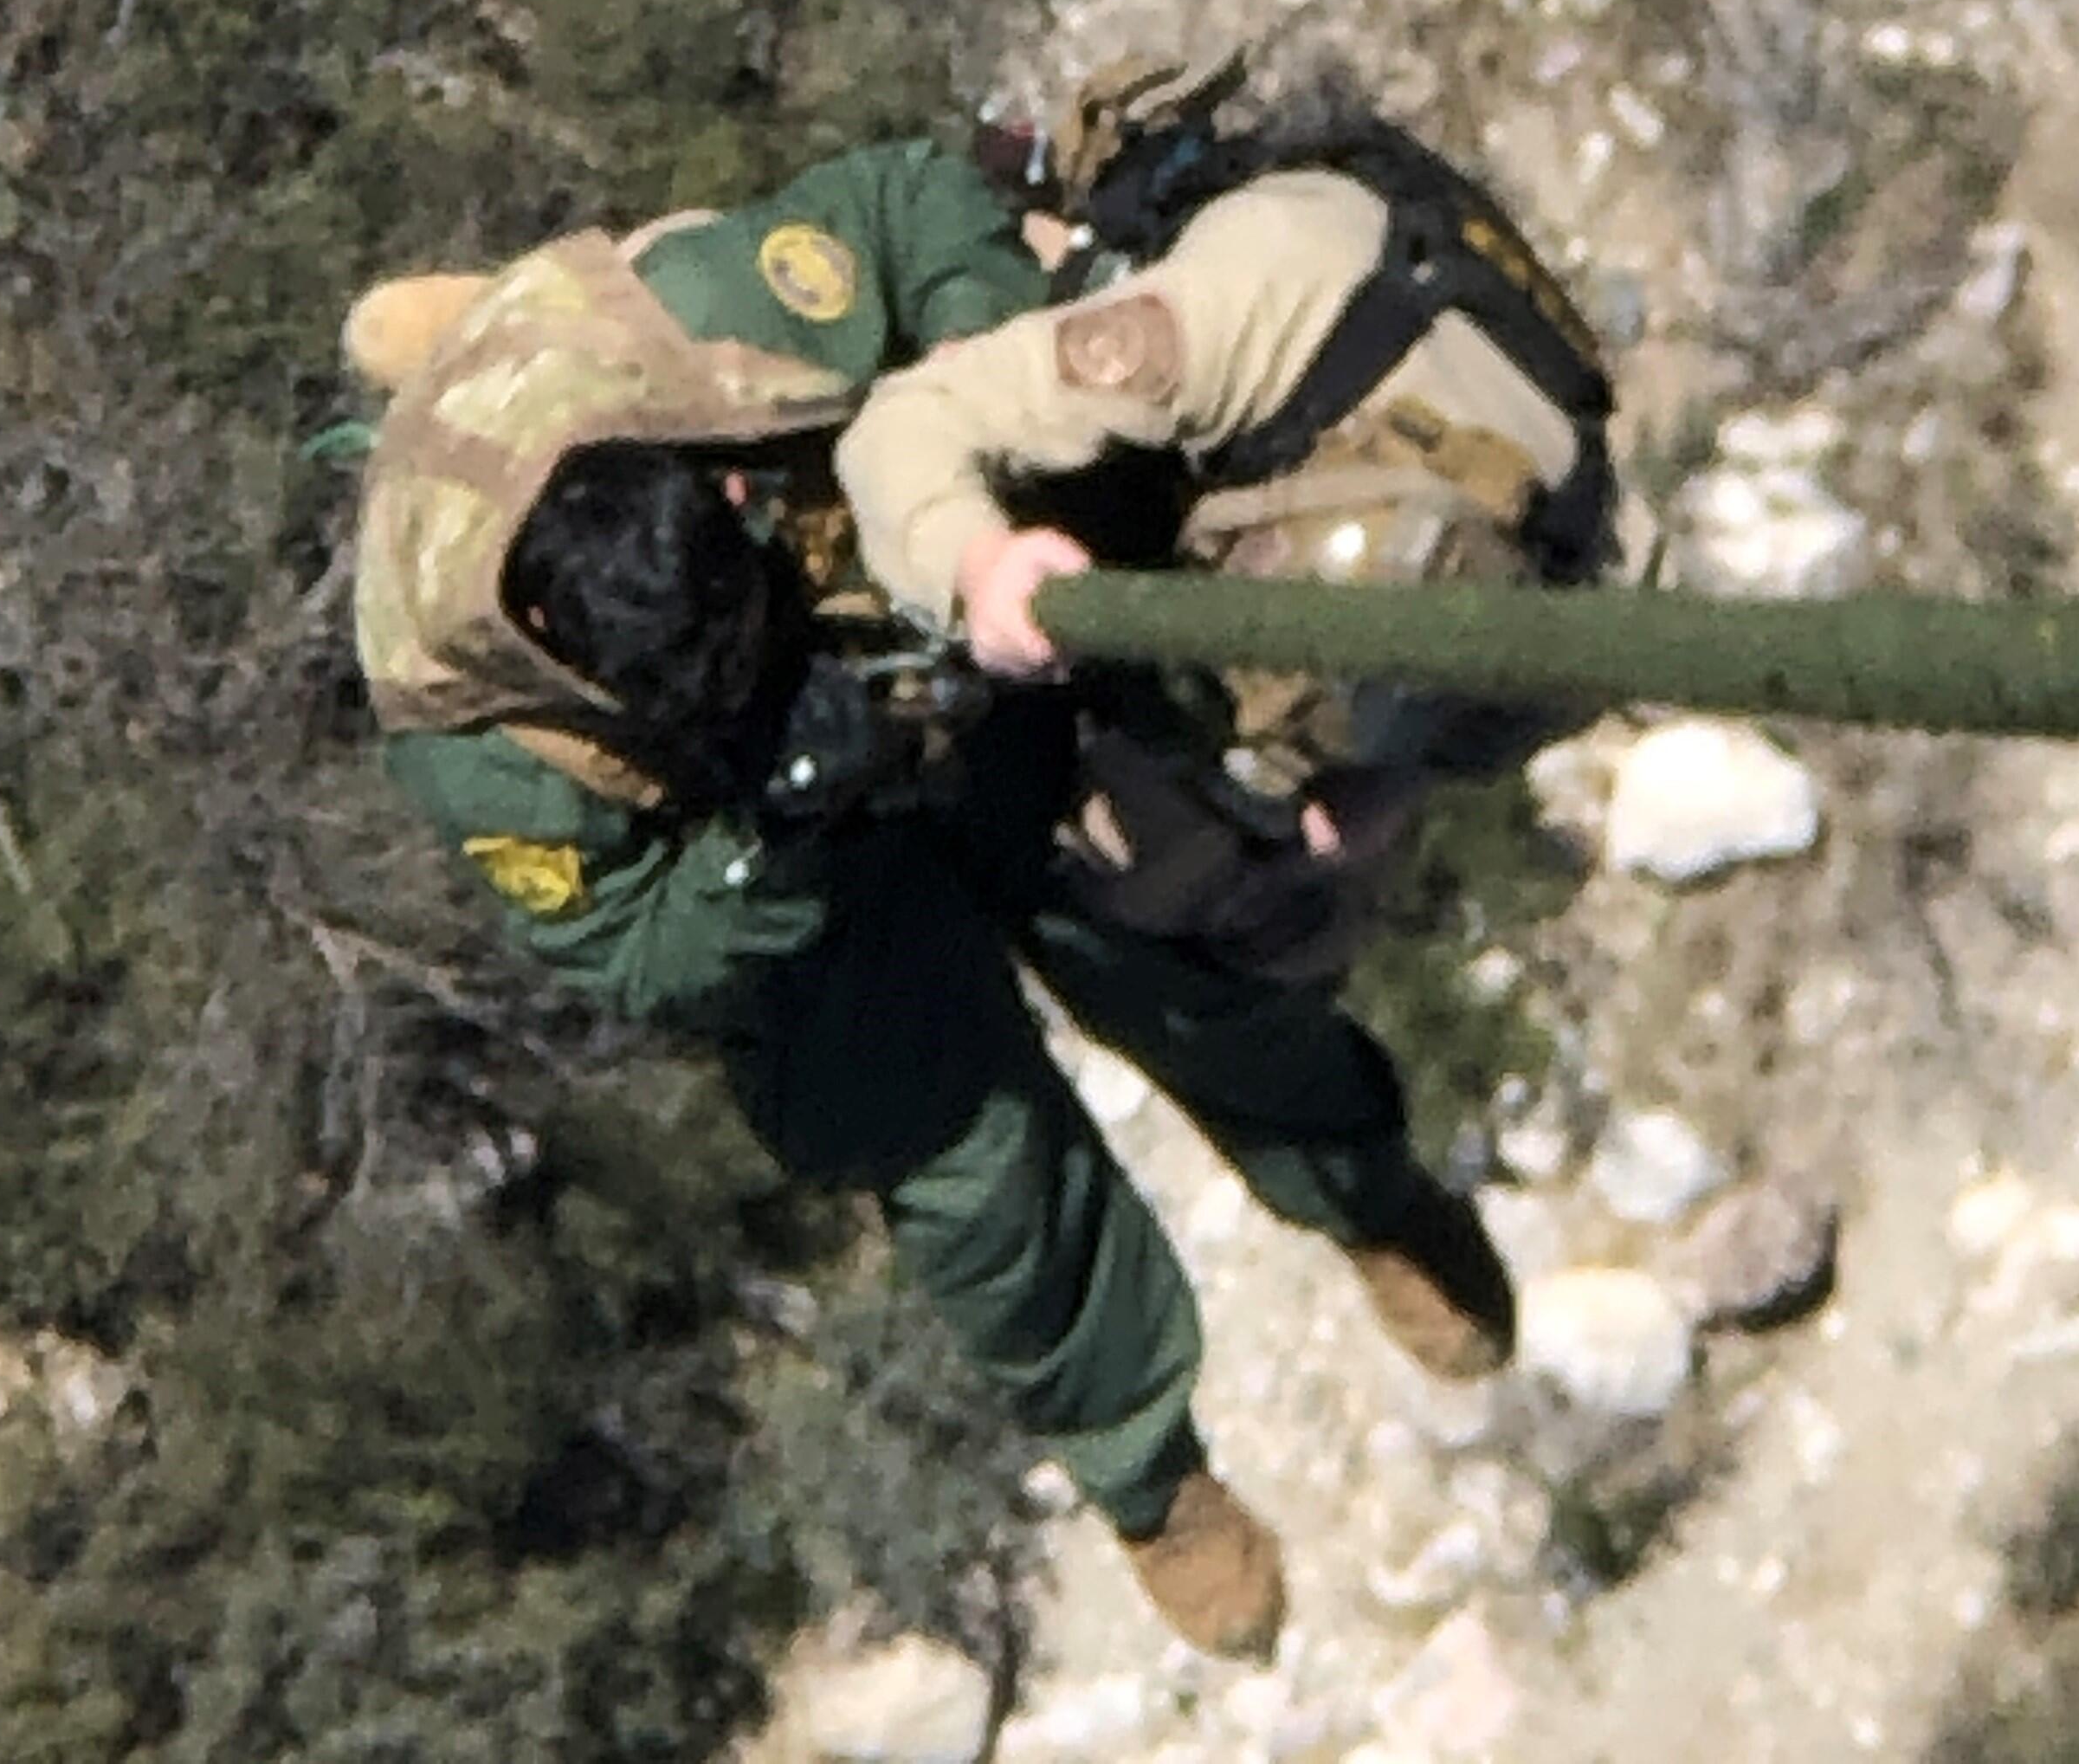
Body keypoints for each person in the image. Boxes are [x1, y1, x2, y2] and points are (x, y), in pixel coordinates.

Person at [345, 135, 1516, 1666]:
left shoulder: (708, 324)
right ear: (570, 653)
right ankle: (1146, 1475)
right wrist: (771, 824)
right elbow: (629, 945)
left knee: (1179, 925)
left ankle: (1364, 1190)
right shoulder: (481, 746)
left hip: (932, 648)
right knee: (969, 1171)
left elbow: (909, 205)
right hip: (773, 872)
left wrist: (987, 437)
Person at [836, 66, 1620, 979]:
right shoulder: (1231, 327)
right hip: (1260, 311)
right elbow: (903, 426)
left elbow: (1517, 702)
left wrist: (1391, 778)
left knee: (1194, 873)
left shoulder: (1568, 590)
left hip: (1385, 391)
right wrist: (977, 569)